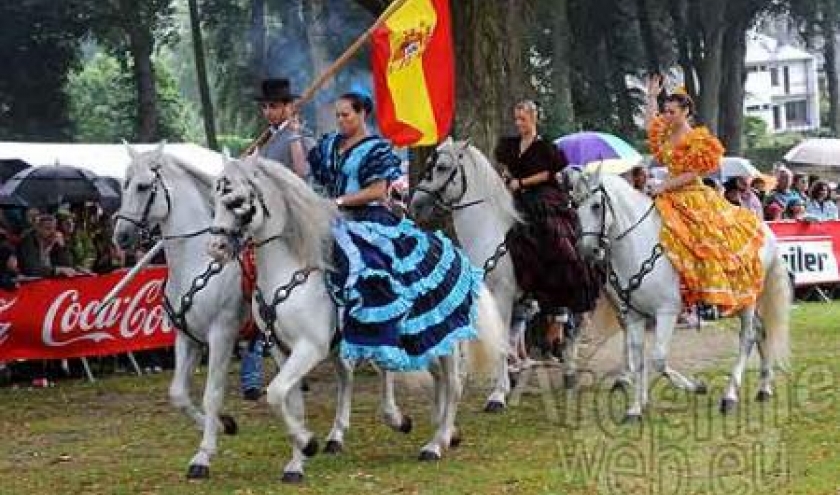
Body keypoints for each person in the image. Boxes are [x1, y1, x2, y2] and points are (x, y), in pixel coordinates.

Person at [308, 91, 484, 370]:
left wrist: (338, 201)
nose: (340, 120)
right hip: (331, 217)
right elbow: (312, 169)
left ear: (362, 114)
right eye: (337, 115)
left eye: (346, 115)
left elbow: (378, 190)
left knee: (369, 267)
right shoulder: (330, 145)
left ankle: (378, 336)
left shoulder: (377, 148)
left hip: (368, 219)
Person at [645, 75, 764, 314]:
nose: (666, 116)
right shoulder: (666, 132)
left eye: (671, 112)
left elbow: (693, 173)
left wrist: (663, 186)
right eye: (665, 111)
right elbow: (651, 124)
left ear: (686, 111)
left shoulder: (699, 138)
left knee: (703, 240)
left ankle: (709, 291)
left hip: (691, 194)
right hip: (667, 192)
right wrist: (651, 97)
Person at [494, 100, 600, 356]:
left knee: (552, 235)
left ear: (534, 118)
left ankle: (561, 306)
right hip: (516, 196)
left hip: (543, 198)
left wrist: (521, 182)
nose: (519, 124)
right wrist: (508, 178)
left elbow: (549, 174)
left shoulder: (546, 147)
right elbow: (506, 167)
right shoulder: (510, 145)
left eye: (523, 119)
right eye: (516, 119)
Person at [240, 78, 316, 400]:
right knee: (255, 293)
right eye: (266, 107)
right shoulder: (266, 141)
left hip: (294, 225)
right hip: (266, 227)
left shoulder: (301, 137)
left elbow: (302, 176)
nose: (269, 112)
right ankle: (258, 369)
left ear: (288, 106)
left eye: (274, 106)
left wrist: (295, 136)